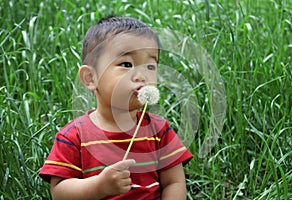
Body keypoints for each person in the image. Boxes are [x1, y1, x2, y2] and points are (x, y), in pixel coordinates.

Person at [39, 16, 193, 200]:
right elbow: (59, 192)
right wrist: (99, 187)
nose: (142, 75)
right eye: (126, 64)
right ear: (90, 78)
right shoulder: (73, 137)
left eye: (150, 66)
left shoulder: (159, 131)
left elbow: (174, 182)